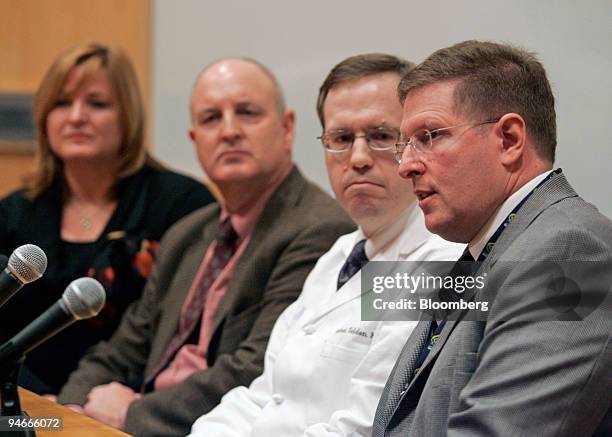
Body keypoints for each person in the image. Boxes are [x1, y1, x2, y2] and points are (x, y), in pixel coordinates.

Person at [56, 57, 355, 436]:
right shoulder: (187, 233)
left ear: (286, 127)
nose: (229, 131)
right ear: (196, 139)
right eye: (211, 118)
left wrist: (131, 414)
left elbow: (260, 370)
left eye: (247, 113)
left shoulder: (317, 228)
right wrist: (71, 410)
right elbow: (124, 347)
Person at [188, 54, 464, 437]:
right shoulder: (338, 255)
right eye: (341, 139)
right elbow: (263, 396)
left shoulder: (443, 262)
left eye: (381, 136)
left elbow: (367, 425)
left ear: (415, 144)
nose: (359, 158)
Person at [373, 40, 612, 436]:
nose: (407, 166)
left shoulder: (573, 251)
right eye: (405, 145)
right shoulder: (491, 247)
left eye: (429, 136)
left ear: (509, 140)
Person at [0, 42, 215, 394]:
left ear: (127, 115)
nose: (76, 117)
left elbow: (187, 332)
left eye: (96, 103)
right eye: (62, 103)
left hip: (125, 407)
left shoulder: (182, 205)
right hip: (23, 411)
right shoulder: (13, 213)